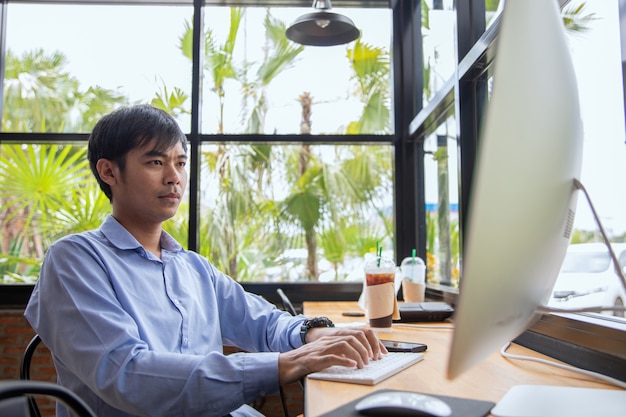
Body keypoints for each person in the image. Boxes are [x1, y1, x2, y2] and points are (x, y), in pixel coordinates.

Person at [24, 104, 386, 417]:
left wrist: (317, 333)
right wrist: (288, 363)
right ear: (108, 172)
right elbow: (127, 375)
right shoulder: (75, 260)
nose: (174, 178)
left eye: (180, 163)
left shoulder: (192, 267)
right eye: (156, 162)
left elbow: (263, 323)